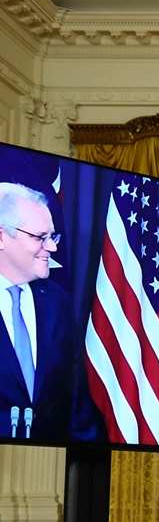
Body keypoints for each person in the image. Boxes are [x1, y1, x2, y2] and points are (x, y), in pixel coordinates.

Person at [0, 182, 94, 442]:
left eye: (52, 237)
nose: (52, 248)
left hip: (49, 465)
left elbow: (75, 399)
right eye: (40, 238)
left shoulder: (57, 302)